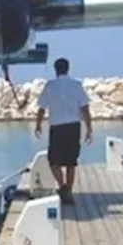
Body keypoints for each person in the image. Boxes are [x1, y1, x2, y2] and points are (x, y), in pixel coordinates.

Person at [33, 58, 93, 205]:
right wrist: (89, 128)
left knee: (54, 161)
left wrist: (38, 125)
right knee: (71, 162)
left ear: (55, 69)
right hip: (73, 126)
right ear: (68, 68)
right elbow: (85, 109)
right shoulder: (76, 85)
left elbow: (41, 108)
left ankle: (62, 186)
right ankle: (69, 191)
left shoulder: (50, 86)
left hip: (57, 127)